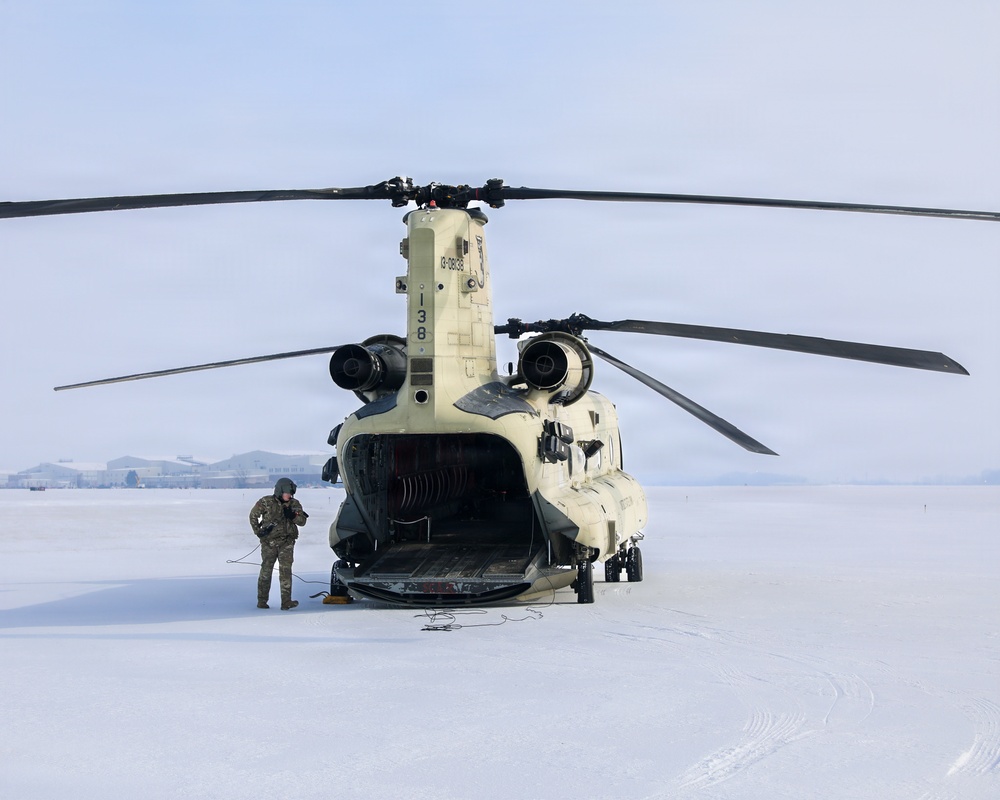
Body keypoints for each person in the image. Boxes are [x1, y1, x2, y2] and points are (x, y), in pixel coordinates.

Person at [249, 477, 308, 610]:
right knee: (266, 570)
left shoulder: (294, 504)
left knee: (285, 571)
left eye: (291, 493)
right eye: (288, 493)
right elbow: (253, 515)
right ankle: (262, 600)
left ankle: (286, 602)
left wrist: (293, 516)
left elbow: (302, 521)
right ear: (280, 491)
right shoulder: (266, 501)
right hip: (269, 542)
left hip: (286, 542)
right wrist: (258, 531)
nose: (290, 496)